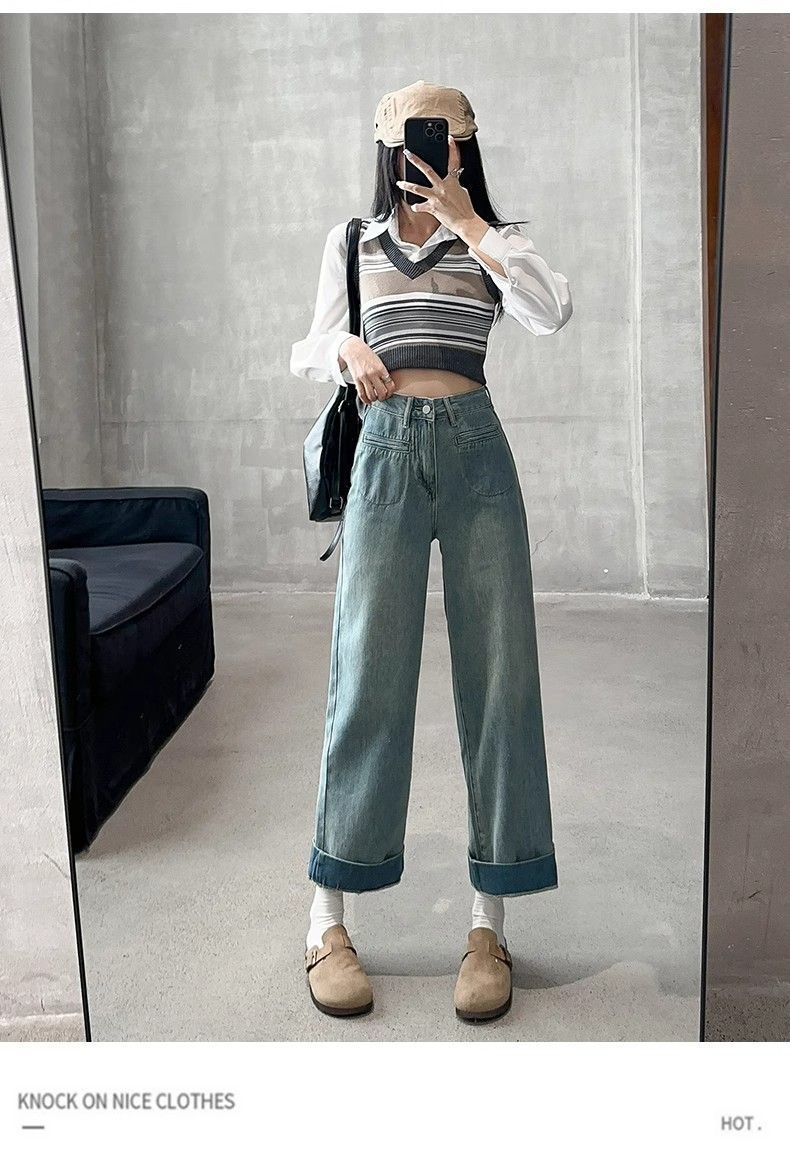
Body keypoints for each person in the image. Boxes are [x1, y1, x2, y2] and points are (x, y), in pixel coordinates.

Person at [290, 80, 572, 1022]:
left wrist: (471, 222)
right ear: (389, 148)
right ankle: (326, 920)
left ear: (465, 149)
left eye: (444, 141)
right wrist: (345, 351)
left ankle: (490, 925)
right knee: (366, 675)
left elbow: (552, 310)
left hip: (476, 450)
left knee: (501, 679)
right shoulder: (353, 242)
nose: (428, 156)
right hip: (383, 450)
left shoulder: (496, 243)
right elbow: (307, 344)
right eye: (415, 141)